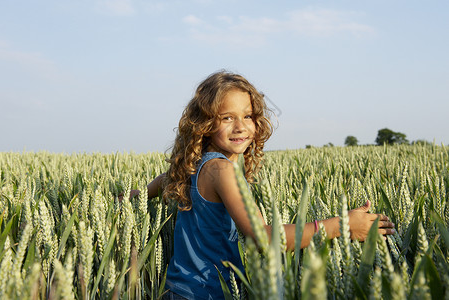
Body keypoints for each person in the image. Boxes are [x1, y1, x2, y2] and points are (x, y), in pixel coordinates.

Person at [132, 71, 395, 299]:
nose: (240, 127)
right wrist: (341, 225)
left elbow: (165, 179)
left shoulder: (196, 163)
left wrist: (133, 196)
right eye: (226, 118)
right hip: (207, 292)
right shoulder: (222, 170)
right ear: (205, 124)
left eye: (247, 116)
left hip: (181, 289)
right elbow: (263, 238)